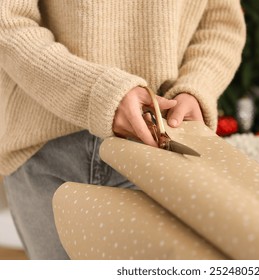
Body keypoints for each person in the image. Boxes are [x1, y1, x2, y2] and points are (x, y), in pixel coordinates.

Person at [0, 0, 246, 259]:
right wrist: (98, 92)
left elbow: (221, 24)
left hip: (157, 149)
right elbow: (7, 21)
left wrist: (196, 86)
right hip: (44, 146)